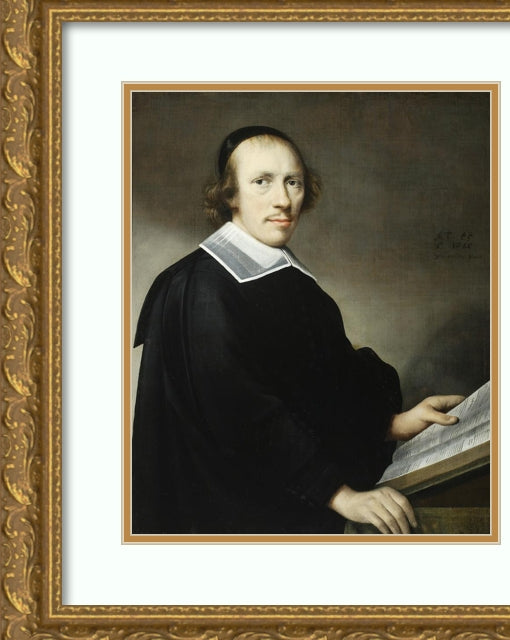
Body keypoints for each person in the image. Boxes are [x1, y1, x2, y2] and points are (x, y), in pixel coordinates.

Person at [132, 125, 463, 535]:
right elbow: (246, 419)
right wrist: (342, 496)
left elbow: (319, 389)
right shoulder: (201, 287)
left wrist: (392, 423)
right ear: (229, 195)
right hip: (229, 524)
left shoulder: (287, 278)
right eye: (262, 182)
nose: (283, 200)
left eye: (294, 182)